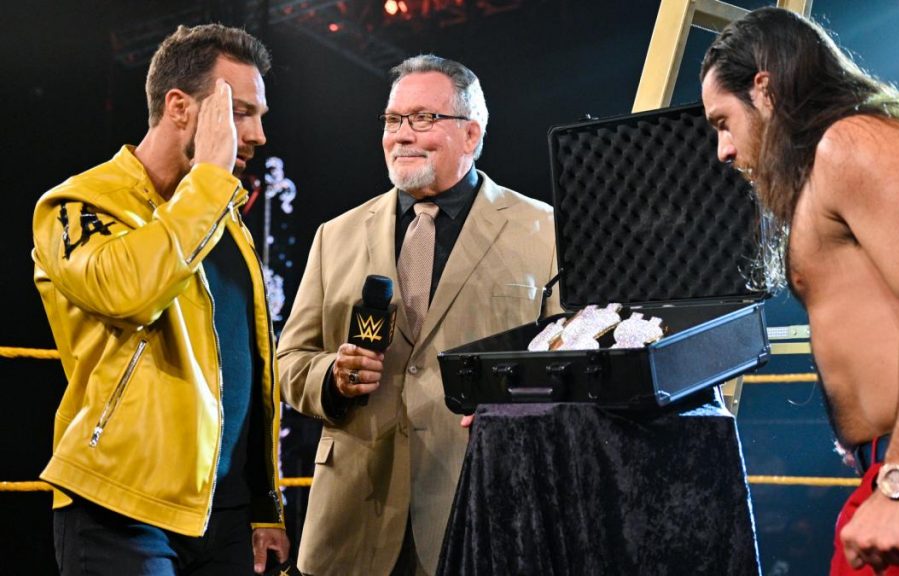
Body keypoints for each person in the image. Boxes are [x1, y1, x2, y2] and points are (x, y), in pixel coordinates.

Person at [700, 7, 899, 575]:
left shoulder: (850, 143)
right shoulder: (875, 153)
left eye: (724, 122)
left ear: (764, 89)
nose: (723, 151)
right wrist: (898, 427)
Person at [276, 54, 559, 575]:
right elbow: (289, 360)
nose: (401, 135)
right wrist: (331, 377)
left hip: (481, 512)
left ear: (471, 135)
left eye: (423, 118)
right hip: (352, 521)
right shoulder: (334, 235)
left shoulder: (544, 231)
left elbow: (570, 362)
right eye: (392, 120)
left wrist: (515, 412)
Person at [31, 24, 290, 575]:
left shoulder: (221, 216)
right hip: (120, 508)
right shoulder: (79, 203)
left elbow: (250, 369)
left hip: (223, 516)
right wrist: (210, 182)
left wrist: (264, 504)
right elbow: (129, 292)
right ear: (179, 107)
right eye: (241, 112)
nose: (259, 133)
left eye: (259, 115)